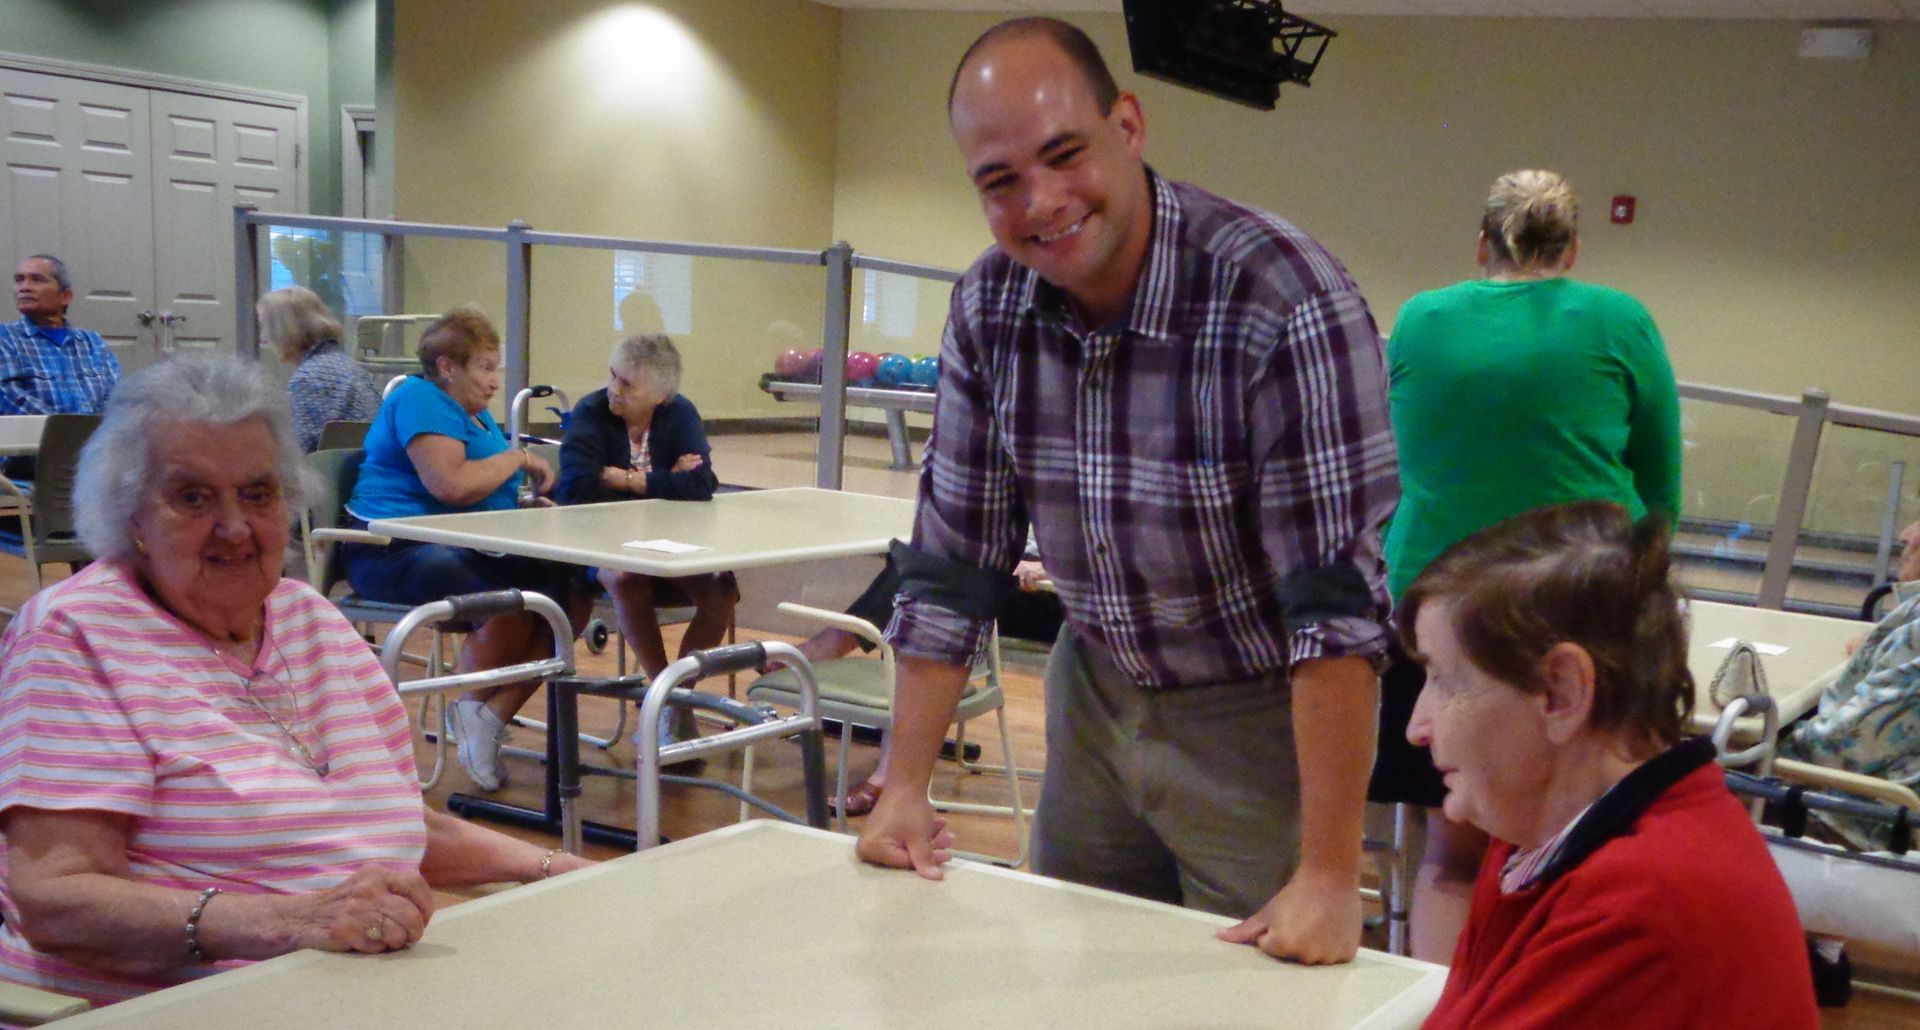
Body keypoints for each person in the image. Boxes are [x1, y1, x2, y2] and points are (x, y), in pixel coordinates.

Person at [857, 18, 1398, 966]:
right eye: (1000, 181)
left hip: (1259, 716)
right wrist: (904, 784)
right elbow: (952, 566)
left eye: (1065, 154)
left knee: (1246, 997)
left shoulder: (1280, 299)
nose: (1043, 202)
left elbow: (1335, 609)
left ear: (1131, 126)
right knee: (1082, 976)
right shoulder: (989, 308)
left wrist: (1326, 872)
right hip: (1096, 693)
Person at [0, 355, 590, 1010]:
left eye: (258, 492)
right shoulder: (74, 637)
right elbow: (55, 900)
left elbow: (388, 825)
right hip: (175, 1008)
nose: (234, 527)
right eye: (192, 497)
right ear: (130, 515)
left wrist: (556, 870)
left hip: (349, 989)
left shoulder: (308, 618)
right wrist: (284, 922)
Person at [1377, 168, 1683, 960]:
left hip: (1436, 613)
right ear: (1575, 248)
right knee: (1570, 846)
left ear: (1482, 244)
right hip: (1578, 611)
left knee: (1451, 851)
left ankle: (1445, 1005)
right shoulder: (1619, 320)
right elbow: (1659, 487)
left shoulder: (1422, 319)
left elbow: (1401, 450)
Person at [1400, 501, 1816, 1027]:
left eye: (1443, 680)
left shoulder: (1642, 905)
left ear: (1561, 693)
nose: (1417, 727)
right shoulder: (1534, 833)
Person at [340, 306, 593, 792]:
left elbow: (485, 490)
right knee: (509, 594)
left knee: (572, 588)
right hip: (391, 548)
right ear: (447, 367)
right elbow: (450, 485)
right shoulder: (420, 398)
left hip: (465, 543)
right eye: (485, 368)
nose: (495, 381)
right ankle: (474, 708)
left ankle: (487, 716)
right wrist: (518, 457)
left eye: (495, 368)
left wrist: (526, 505)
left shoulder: (476, 419)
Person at [557, 334, 736, 748]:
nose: (613, 390)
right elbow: (578, 488)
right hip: (601, 542)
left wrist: (623, 477)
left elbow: (702, 485)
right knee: (624, 577)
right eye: (613, 376)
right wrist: (664, 480)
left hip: (668, 542)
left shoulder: (680, 413)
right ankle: (664, 695)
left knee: (721, 588)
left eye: (627, 384)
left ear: (660, 397)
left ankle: (676, 697)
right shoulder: (590, 411)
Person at [797, 546, 1062, 818]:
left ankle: (823, 649)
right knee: (920, 570)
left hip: (1063, 596)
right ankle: (892, 771)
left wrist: (1043, 566)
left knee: (923, 579)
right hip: (996, 579)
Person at [1779, 517, 1920, 848]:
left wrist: (1752, 750)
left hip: (1865, 828)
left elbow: (1840, 747)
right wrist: (1880, 649)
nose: (1905, 535)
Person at [257, 285, 380, 452]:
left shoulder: (308, 379)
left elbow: (298, 453)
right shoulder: (350, 367)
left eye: (264, 327)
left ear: (282, 330)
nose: (263, 337)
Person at [1, 254, 120, 417]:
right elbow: (7, 395)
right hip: (35, 440)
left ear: (65, 296)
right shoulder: (5, 338)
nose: (24, 287)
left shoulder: (93, 343)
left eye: (37, 279)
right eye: (19, 280)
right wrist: (65, 429)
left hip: (96, 438)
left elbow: (117, 397)